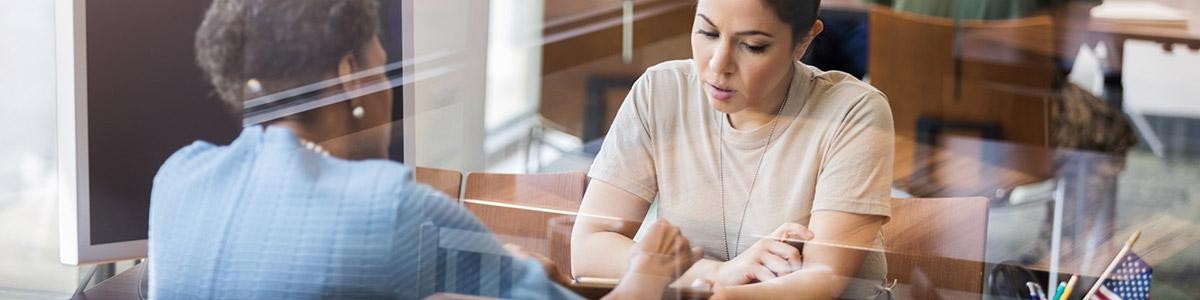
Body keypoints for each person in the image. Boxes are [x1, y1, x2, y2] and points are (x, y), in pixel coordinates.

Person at [147, 0, 701, 298]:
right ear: (352, 76)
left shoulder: (176, 179)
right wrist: (649, 275)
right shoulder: (389, 206)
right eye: (379, 59)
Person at [570, 0, 895, 299]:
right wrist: (720, 273)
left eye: (753, 45)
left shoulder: (854, 112)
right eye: (707, 31)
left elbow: (820, 282)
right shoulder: (661, 91)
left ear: (804, 41)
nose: (718, 63)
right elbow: (588, 249)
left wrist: (715, 288)